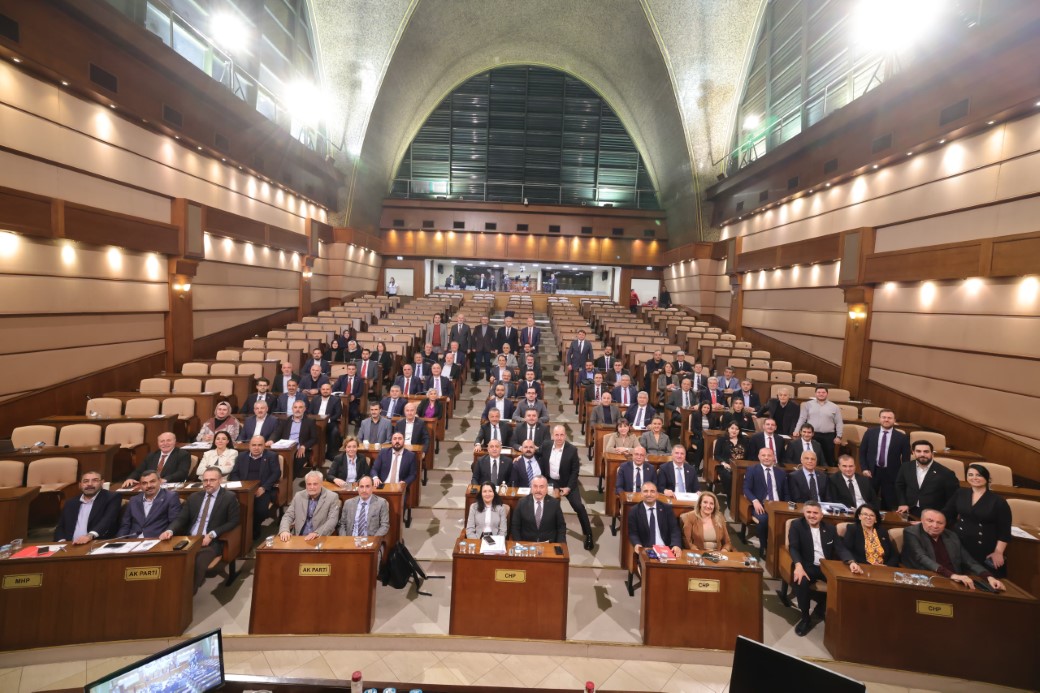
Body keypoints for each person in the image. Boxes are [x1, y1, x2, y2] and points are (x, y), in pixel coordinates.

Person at [786, 501, 862, 636]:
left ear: (821, 515)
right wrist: (798, 565)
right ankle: (805, 618)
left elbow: (840, 548)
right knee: (801, 581)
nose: (812, 515)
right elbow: (793, 547)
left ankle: (822, 608)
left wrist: (851, 561)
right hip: (806, 564)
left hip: (825, 565)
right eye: (808, 512)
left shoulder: (830, 529)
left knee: (842, 582)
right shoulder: (797, 525)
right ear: (804, 513)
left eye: (815, 513)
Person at [160, 466, 240, 593]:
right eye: (205, 480)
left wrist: (213, 534)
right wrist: (170, 530)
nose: (208, 484)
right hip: (189, 539)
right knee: (172, 561)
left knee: (196, 564)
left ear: (220, 480)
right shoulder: (194, 497)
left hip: (211, 542)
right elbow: (181, 519)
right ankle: (169, 591)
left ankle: (186, 595)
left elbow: (234, 521)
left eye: (212, 480)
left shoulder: (229, 497)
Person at [902, 509, 1005, 592]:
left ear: (945, 524)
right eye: (930, 521)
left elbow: (969, 561)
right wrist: (952, 575)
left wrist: (989, 577)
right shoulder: (912, 533)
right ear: (922, 520)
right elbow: (922, 558)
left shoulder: (951, 536)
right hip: (928, 579)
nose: (935, 526)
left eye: (940, 523)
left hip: (955, 581)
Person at [943, 463, 1012, 576]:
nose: (974, 478)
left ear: (987, 478)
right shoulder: (960, 493)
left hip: (983, 547)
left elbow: (1004, 532)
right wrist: (928, 521)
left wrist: (998, 552)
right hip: (959, 542)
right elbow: (947, 513)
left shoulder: (998, 501)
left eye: (978, 475)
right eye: (970, 474)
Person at [538, 425, 594, 549]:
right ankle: (547, 534)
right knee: (547, 506)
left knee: (579, 506)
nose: (559, 437)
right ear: (553, 435)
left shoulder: (572, 450)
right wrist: (521, 457)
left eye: (561, 435)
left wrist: (569, 487)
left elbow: (575, 471)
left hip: (568, 482)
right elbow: (535, 453)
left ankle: (589, 534)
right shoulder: (546, 445)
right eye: (556, 435)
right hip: (552, 481)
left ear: (565, 435)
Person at [859, 409, 911, 510]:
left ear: (894, 420)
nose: (886, 420)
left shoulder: (902, 438)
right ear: (880, 419)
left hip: (891, 474)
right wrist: (864, 468)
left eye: (889, 418)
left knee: (889, 502)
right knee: (869, 500)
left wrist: (902, 475)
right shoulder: (870, 433)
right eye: (884, 417)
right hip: (872, 472)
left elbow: (906, 460)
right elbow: (862, 452)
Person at [229, 436, 280, 537]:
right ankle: (241, 532)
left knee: (260, 511)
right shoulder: (241, 456)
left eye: (259, 445)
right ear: (249, 446)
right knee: (235, 508)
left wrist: (263, 488)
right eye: (254, 445)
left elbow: (276, 473)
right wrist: (240, 486)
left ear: (264, 446)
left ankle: (254, 528)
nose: (256, 448)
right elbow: (234, 473)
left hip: (262, 489)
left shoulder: (271, 456)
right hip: (244, 489)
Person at [895, 440, 960, 518]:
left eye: (926, 452)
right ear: (913, 452)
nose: (922, 454)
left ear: (932, 453)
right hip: (909, 511)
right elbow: (899, 485)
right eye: (918, 451)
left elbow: (953, 498)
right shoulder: (905, 467)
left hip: (934, 515)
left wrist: (941, 516)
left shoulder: (946, 473)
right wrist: (902, 503)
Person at [743, 447, 787, 555]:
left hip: (778, 504)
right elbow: (746, 489)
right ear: (759, 457)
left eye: (769, 455)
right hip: (761, 505)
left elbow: (786, 493)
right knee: (764, 520)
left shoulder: (781, 472)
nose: (766, 458)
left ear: (773, 457)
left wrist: (786, 506)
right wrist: (754, 500)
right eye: (763, 455)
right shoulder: (752, 470)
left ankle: (780, 549)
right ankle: (764, 546)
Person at [54, 471, 119, 543]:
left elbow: (108, 520)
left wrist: (90, 535)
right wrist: (62, 541)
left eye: (95, 480)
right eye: (85, 481)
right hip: (69, 545)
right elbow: (60, 526)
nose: (90, 484)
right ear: (80, 485)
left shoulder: (111, 498)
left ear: (102, 483)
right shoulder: (71, 502)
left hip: (95, 543)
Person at [279, 471, 341, 541]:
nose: (312, 487)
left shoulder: (332, 497)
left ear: (321, 484)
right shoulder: (298, 496)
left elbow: (332, 520)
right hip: (299, 537)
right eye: (309, 484)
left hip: (319, 537)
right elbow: (288, 516)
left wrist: (317, 533)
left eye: (315, 484)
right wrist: (284, 530)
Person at [118, 470, 180, 538]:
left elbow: (174, 522)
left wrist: (167, 534)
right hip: (133, 542)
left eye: (152, 482)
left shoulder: (170, 497)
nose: (149, 486)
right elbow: (125, 525)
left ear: (160, 481)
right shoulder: (134, 500)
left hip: (157, 540)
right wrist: (119, 541)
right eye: (144, 483)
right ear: (140, 485)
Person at [628, 482, 682, 555]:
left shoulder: (666, 508)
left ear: (657, 495)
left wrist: (676, 545)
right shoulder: (634, 511)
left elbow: (674, 529)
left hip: (666, 548)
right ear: (641, 494)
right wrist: (637, 544)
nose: (649, 494)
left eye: (652, 491)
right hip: (646, 549)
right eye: (645, 491)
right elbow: (633, 533)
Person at [794, 386, 843, 467]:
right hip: (812, 435)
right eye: (819, 392)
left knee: (829, 458)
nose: (821, 394)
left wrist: (839, 436)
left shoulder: (834, 407)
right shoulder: (808, 404)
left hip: (828, 436)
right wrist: (796, 430)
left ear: (827, 394)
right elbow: (802, 419)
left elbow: (839, 422)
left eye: (823, 392)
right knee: (812, 456)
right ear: (815, 393)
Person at [511, 475, 566, 543]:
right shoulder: (522, 503)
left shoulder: (554, 504)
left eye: (541, 487)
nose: (538, 490)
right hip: (527, 543)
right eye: (535, 486)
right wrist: (519, 544)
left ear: (546, 489)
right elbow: (515, 526)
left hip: (549, 544)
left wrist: (559, 545)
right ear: (531, 488)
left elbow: (561, 527)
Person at [124, 431, 191, 486]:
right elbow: (139, 471)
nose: (165, 443)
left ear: (174, 441)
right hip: (150, 486)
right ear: (158, 443)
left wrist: (165, 479)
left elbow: (182, 472)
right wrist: (130, 478)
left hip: (169, 486)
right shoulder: (152, 455)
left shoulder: (182, 454)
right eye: (162, 441)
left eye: (168, 440)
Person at [276, 399, 320, 475]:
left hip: (300, 449)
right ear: (292, 409)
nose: (297, 410)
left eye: (300, 407)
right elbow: (277, 434)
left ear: (304, 409)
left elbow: (314, 438)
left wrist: (304, 446)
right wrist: (271, 440)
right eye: (295, 407)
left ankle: (289, 482)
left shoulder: (310, 421)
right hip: (285, 448)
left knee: (296, 463)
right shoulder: (285, 421)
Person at [713, 421, 749, 496]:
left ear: (739, 431)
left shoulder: (744, 440)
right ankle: (731, 497)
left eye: (736, 429)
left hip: (741, 466)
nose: (734, 431)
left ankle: (743, 497)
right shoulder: (722, 440)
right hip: (726, 466)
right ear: (728, 429)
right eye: (732, 428)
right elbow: (716, 455)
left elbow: (748, 455)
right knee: (729, 477)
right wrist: (723, 463)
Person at [308, 382, 343, 455]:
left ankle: (331, 453)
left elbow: (338, 413)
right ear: (320, 390)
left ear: (331, 390)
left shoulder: (336, 400)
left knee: (335, 432)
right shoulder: (315, 399)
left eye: (327, 389)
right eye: (323, 389)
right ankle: (313, 454)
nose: (325, 391)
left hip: (330, 422)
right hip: (315, 422)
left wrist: (328, 420)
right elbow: (310, 412)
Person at [334, 363, 364, 427]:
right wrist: (340, 395)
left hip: (353, 400)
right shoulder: (341, 377)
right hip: (341, 399)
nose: (351, 371)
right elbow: (334, 388)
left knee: (354, 412)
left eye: (353, 369)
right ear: (347, 370)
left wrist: (354, 396)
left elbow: (360, 392)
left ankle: (356, 422)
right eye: (349, 369)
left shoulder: (359, 379)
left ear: (355, 370)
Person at [471, 315, 495, 382]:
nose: (484, 320)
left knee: (487, 364)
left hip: (488, 348)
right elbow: (473, 338)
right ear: (481, 320)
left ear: (488, 321)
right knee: (477, 363)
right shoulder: (477, 328)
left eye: (486, 319)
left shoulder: (491, 328)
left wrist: (493, 348)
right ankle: (476, 377)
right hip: (478, 348)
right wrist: (473, 347)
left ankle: (488, 377)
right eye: (483, 319)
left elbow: (493, 339)